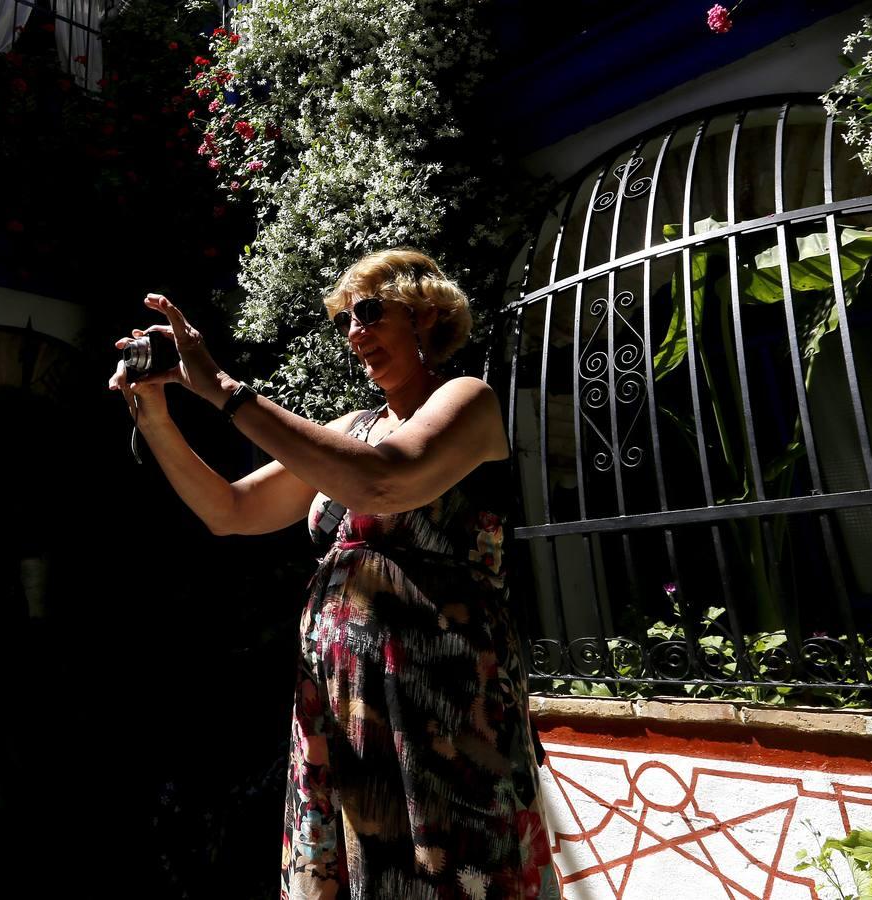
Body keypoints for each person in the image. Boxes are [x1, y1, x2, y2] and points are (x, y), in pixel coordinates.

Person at [108, 249, 557, 900]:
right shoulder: (352, 428)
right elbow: (229, 511)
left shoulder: (467, 400)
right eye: (344, 319)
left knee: (456, 875)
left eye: (370, 311)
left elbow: (383, 481)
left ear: (425, 313)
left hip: (445, 713)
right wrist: (154, 413)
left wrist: (223, 390)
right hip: (344, 713)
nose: (354, 331)